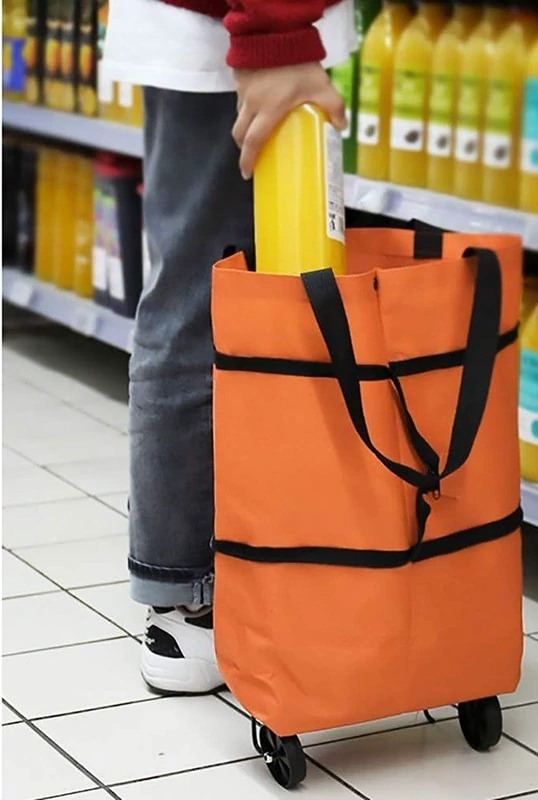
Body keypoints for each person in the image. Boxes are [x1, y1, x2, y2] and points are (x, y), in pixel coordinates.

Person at [102, 0, 353, 694]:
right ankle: (185, 600)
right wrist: (275, 35)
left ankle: (232, 574)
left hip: (249, 36)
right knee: (199, 298)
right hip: (235, 39)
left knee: (243, 301)